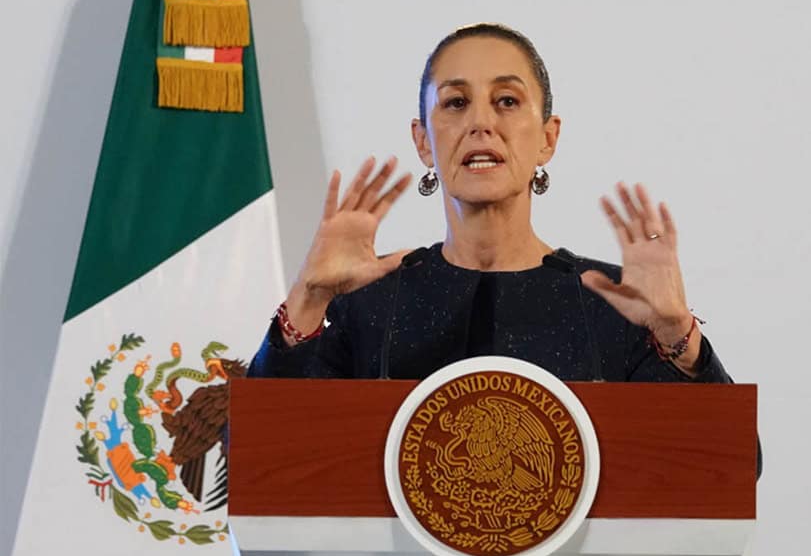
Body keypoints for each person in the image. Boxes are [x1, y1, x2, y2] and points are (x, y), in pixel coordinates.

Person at [248, 23, 732, 385]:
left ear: (547, 137)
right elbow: (251, 456)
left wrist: (676, 333)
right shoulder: (366, 303)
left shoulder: (617, 301)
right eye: (456, 103)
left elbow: (729, 469)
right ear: (422, 141)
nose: (481, 122)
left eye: (506, 101)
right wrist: (309, 298)